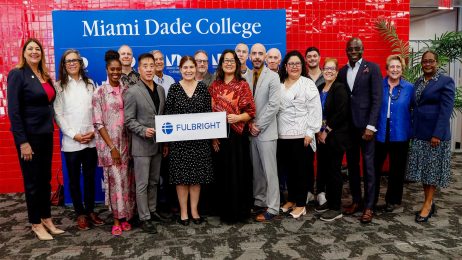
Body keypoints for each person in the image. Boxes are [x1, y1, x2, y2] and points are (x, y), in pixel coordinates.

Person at [7, 38, 64, 240]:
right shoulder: (17, 74)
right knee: (32, 182)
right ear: (24, 53)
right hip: (29, 138)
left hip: (45, 134)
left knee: (45, 180)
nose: (34, 52)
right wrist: (23, 142)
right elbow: (13, 112)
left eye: (37, 49)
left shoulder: (44, 76)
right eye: (30, 49)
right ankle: (35, 222)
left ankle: (47, 218)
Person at [54, 49, 103, 231]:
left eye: (75, 60)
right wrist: (73, 134)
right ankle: (80, 214)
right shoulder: (60, 86)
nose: (73, 63)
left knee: (90, 178)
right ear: (64, 65)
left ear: (81, 63)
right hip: (71, 142)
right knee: (74, 180)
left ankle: (90, 210)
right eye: (68, 61)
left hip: (90, 139)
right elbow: (58, 114)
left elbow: (95, 110)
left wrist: (92, 131)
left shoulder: (89, 83)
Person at [406, 50, 455, 223]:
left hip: (435, 136)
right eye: (425, 61)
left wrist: (437, 134)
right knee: (424, 171)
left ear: (437, 62)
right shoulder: (419, 81)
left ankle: (427, 205)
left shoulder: (445, 81)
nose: (427, 64)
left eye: (431, 61)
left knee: (432, 172)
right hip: (420, 133)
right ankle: (429, 201)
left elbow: (446, 110)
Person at [165, 56, 214, 226]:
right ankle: (184, 212)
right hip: (179, 143)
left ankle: (194, 210)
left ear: (196, 69)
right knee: (181, 179)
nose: (188, 70)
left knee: (196, 179)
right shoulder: (174, 89)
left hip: (199, 142)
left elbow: (209, 113)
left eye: (191, 67)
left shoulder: (202, 88)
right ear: (180, 69)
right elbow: (167, 116)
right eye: (185, 67)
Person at [209, 49, 256, 223]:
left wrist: (238, 117)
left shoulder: (242, 84)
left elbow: (251, 111)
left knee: (238, 172)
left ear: (236, 64)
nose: (229, 63)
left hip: (237, 136)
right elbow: (209, 114)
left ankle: (241, 211)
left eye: (232, 60)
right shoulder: (214, 86)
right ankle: (225, 211)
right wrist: (213, 137)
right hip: (219, 136)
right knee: (223, 173)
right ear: (221, 64)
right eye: (226, 60)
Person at [338, 37, 382, 224]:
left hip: (366, 129)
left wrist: (371, 126)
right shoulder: (342, 71)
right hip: (349, 129)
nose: (353, 51)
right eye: (350, 48)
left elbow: (377, 98)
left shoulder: (372, 68)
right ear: (346, 51)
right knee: (353, 167)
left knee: (369, 167)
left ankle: (369, 206)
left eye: (357, 48)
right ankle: (356, 201)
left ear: (362, 49)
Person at [93, 50, 135, 236]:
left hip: (127, 142)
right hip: (110, 146)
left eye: (118, 69)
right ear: (107, 69)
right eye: (112, 69)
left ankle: (126, 217)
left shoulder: (126, 89)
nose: (116, 72)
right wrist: (112, 148)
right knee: (115, 182)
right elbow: (98, 123)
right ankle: (116, 219)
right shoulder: (99, 93)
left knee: (127, 182)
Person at [124, 53, 167, 234]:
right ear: (139, 69)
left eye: (152, 65)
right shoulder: (133, 91)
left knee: (154, 181)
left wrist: (165, 142)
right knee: (141, 184)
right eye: (145, 66)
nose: (149, 69)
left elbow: (163, 118)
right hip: (142, 144)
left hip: (158, 144)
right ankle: (144, 217)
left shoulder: (160, 90)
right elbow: (128, 120)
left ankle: (152, 209)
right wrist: (143, 130)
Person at [277, 50, 322, 219]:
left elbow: (315, 109)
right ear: (286, 66)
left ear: (302, 66)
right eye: (291, 64)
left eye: (297, 64)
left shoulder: (307, 84)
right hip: (282, 136)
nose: (294, 67)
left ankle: (301, 204)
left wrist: (311, 132)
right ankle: (292, 200)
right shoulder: (279, 83)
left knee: (301, 172)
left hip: (302, 136)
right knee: (288, 172)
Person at [244, 43, 281, 222]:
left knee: (270, 171)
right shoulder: (245, 76)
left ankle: (273, 207)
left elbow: (274, 105)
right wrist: (250, 123)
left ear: (265, 57)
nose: (257, 56)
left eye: (260, 54)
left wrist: (258, 125)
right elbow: (244, 104)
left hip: (265, 132)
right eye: (254, 53)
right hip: (251, 131)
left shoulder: (273, 77)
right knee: (257, 171)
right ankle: (260, 201)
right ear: (250, 56)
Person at [373, 55, 414, 213]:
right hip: (380, 132)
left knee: (397, 169)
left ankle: (393, 201)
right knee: (375, 168)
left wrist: (411, 129)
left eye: (398, 67)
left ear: (402, 69)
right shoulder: (379, 85)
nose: (395, 70)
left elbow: (414, 109)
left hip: (400, 133)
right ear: (387, 68)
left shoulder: (409, 88)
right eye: (392, 67)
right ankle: (372, 199)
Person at [315, 58, 351, 222]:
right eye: (326, 68)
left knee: (334, 171)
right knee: (325, 170)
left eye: (332, 69)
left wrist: (326, 131)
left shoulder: (339, 88)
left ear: (337, 72)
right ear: (322, 70)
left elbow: (341, 113)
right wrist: (318, 131)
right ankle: (330, 201)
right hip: (322, 136)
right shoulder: (321, 87)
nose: (328, 71)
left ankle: (336, 208)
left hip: (335, 136)